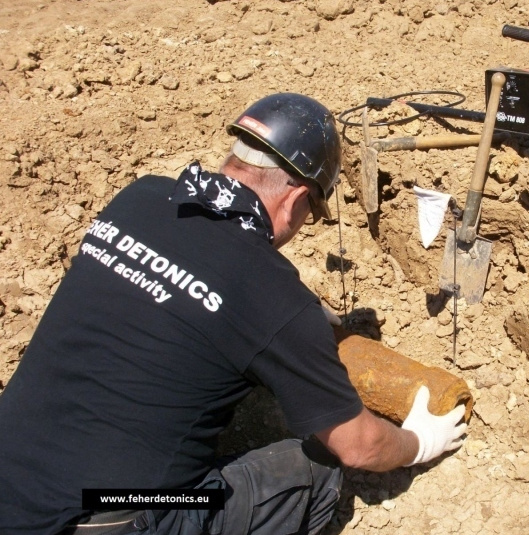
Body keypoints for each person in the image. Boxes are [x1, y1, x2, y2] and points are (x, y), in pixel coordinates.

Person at [0, 93, 467, 535]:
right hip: (103, 520)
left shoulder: (140, 199)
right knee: (316, 471)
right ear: (297, 199)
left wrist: (285, 310)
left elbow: (199, 271)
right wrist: (419, 442)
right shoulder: (274, 300)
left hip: (10, 479)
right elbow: (359, 446)